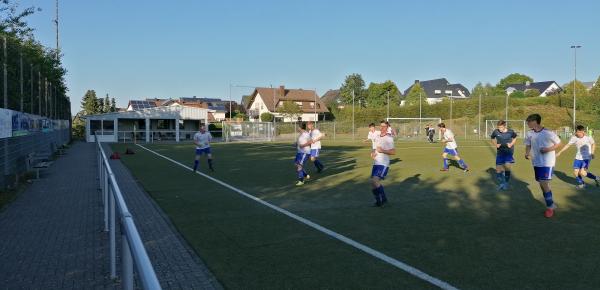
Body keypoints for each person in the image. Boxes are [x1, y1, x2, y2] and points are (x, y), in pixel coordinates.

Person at [524, 113, 561, 218]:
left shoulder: (548, 133)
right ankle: (551, 203)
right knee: (542, 184)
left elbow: (559, 143)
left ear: (535, 122)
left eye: (529, 122)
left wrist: (548, 149)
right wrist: (527, 153)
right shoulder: (529, 134)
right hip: (536, 162)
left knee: (544, 183)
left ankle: (550, 206)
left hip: (548, 162)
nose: (527, 124)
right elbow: (528, 144)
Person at [370, 121, 395, 207]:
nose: (382, 128)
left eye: (384, 126)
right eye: (381, 126)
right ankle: (378, 201)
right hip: (376, 163)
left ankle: (383, 199)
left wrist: (383, 151)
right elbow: (376, 149)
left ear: (387, 128)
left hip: (383, 163)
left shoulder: (389, 138)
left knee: (375, 181)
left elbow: (393, 152)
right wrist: (374, 153)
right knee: (373, 183)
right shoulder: (377, 136)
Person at [491, 120, 518, 190]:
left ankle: (505, 183)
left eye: (501, 127)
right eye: (498, 127)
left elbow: (515, 138)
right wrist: (496, 144)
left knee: (507, 168)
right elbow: (492, 138)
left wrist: (511, 144)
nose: (499, 129)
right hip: (500, 153)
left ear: (504, 126)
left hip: (509, 152)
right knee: (498, 171)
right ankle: (503, 182)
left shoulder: (511, 131)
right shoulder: (496, 132)